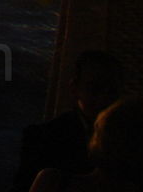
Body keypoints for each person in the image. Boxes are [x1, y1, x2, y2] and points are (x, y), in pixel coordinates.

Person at [13, 50, 124, 191]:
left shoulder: (136, 135)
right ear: (74, 89)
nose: (103, 98)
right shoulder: (44, 138)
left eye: (111, 90)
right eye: (94, 89)